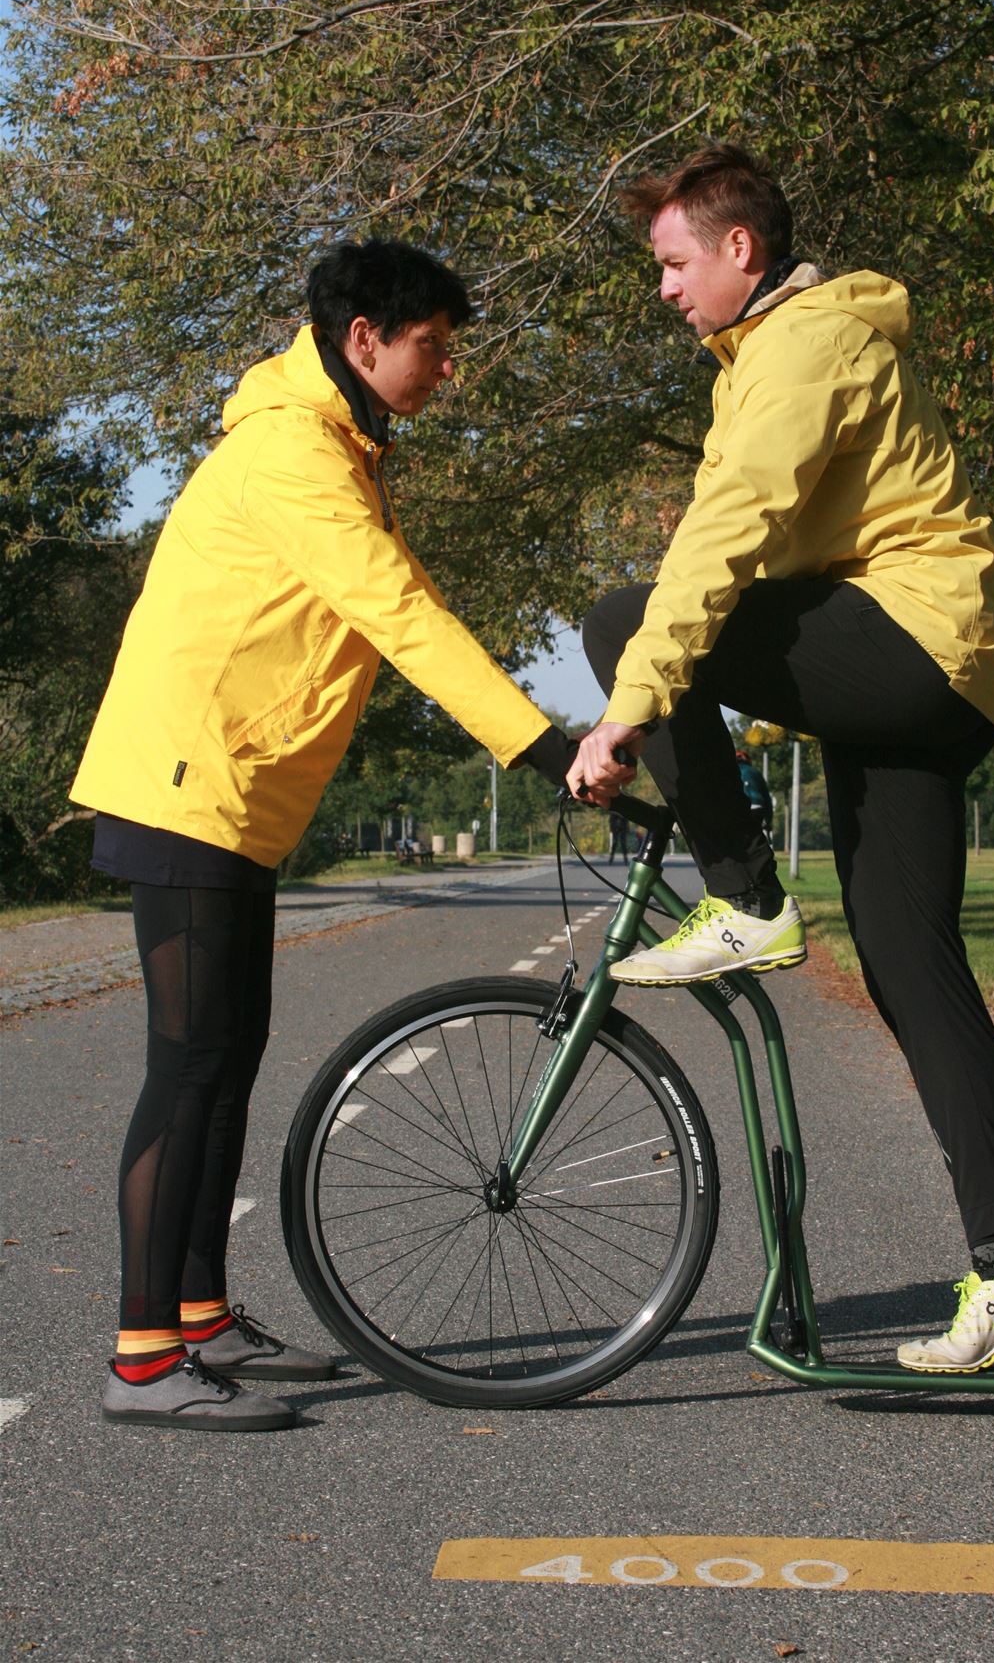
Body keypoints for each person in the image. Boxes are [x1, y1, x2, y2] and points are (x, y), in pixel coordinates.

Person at [567, 144, 994, 1375]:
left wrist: (627, 711)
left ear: (741, 248)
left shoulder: (800, 347)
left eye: (677, 265)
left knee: (628, 618)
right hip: (931, 673)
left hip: (911, 640)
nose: (667, 291)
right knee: (908, 962)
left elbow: (723, 540)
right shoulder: (774, 351)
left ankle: (744, 897)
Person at [72, 239, 574, 1431]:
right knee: (189, 1066)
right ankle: (143, 1356)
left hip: (232, 791)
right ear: (365, 339)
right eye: (433, 346)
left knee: (227, 1055)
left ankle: (198, 1314)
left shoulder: (332, 440)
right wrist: (542, 745)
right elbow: (396, 610)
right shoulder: (294, 452)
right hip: (188, 783)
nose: (445, 367)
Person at [734, 748, 773, 842]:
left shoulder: (731, 772)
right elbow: (767, 798)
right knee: (754, 836)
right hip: (757, 807)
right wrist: (768, 820)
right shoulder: (756, 773)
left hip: (740, 808)